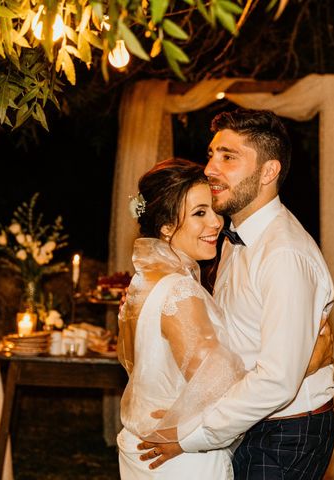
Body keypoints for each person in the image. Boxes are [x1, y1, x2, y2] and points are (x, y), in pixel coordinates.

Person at [138, 109, 334, 479]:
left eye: (228, 157)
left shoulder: (284, 255)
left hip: (283, 433)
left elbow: (277, 381)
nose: (211, 168)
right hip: (246, 423)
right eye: (212, 153)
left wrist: (190, 436)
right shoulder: (232, 235)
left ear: (268, 172)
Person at [117, 157, 246, 479]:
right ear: (165, 225)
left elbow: (133, 362)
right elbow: (219, 383)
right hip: (182, 460)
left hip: (142, 446)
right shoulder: (179, 291)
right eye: (199, 213)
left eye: (215, 210)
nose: (216, 223)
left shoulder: (143, 282)